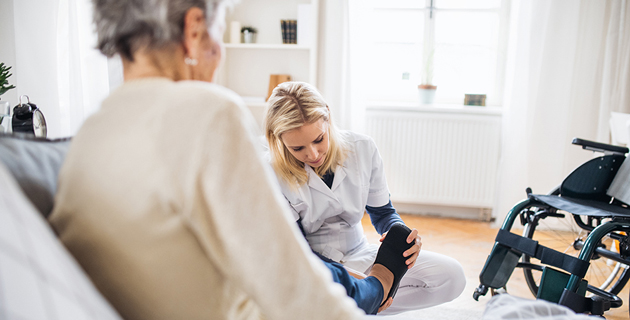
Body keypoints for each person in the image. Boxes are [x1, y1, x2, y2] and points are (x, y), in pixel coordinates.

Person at [48, 0, 409, 319]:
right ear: (194, 30)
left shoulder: (88, 136)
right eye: (217, 34)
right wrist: (373, 289)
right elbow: (289, 282)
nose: (218, 52)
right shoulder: (209, 113)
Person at [264, 81, 467, 315]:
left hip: (361, 254)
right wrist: (358, 282)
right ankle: (362, 301)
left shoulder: (362, 148)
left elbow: (383, 213)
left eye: (319, 139)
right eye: (298, 148)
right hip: (313, 266)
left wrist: (400, 235)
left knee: (452, 276)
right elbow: (297, 249)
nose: (313, 154)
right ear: (279, 140)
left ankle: (362, 305)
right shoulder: (269, 172)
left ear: (327, 117)